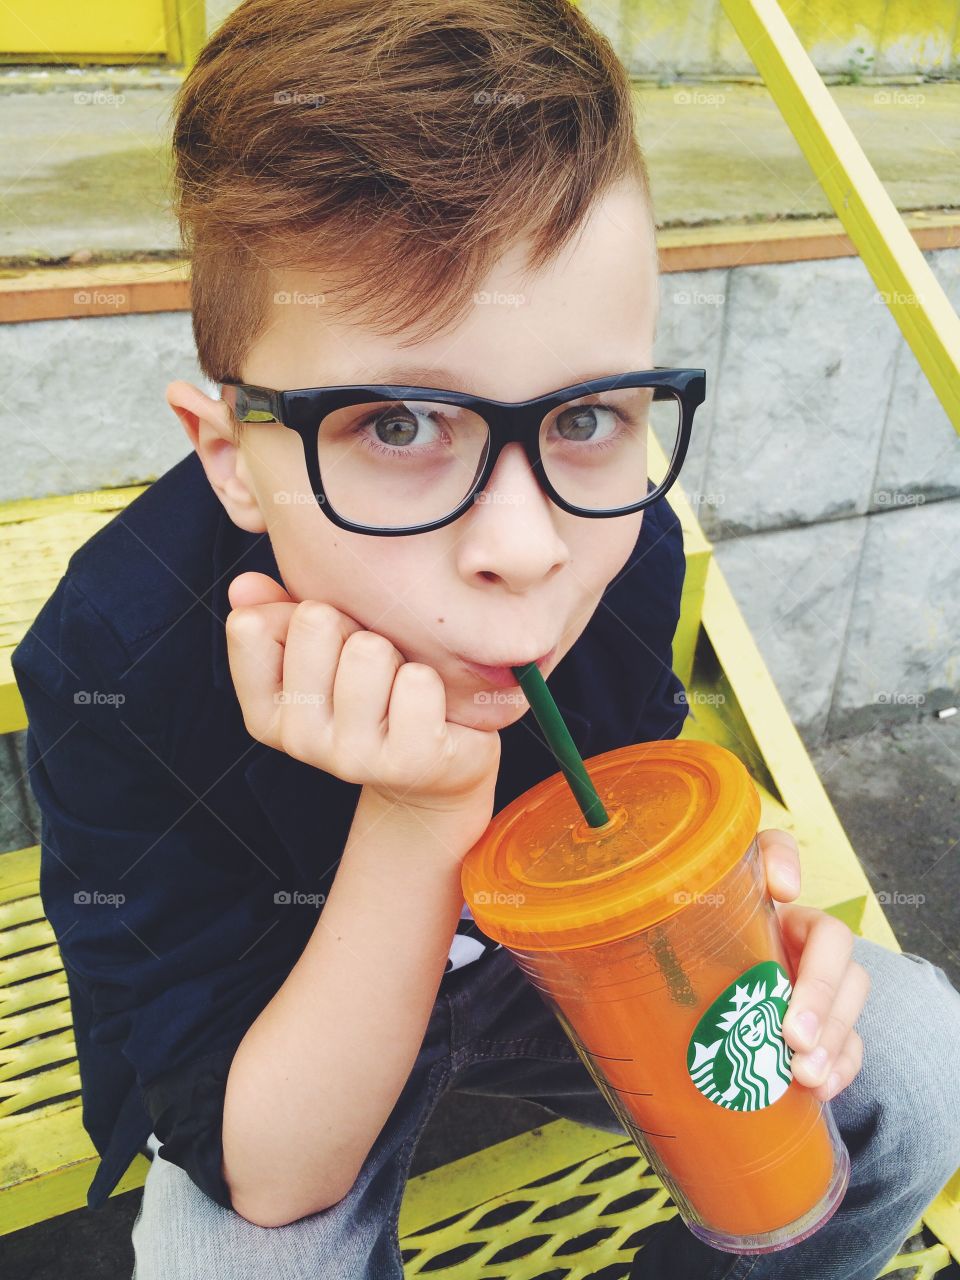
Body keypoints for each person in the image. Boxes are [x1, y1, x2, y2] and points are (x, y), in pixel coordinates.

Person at [11, 2, 960, 1277]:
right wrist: (416, 812)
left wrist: (729, 915)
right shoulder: (116, 656)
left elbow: (624, 813)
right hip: (295, 1036)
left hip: (545, 982)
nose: (525, 544)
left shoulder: (616, 544)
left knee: (911, 1057)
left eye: (587, 416)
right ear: (234, 457)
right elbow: (271, 1169)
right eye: (397, 425)